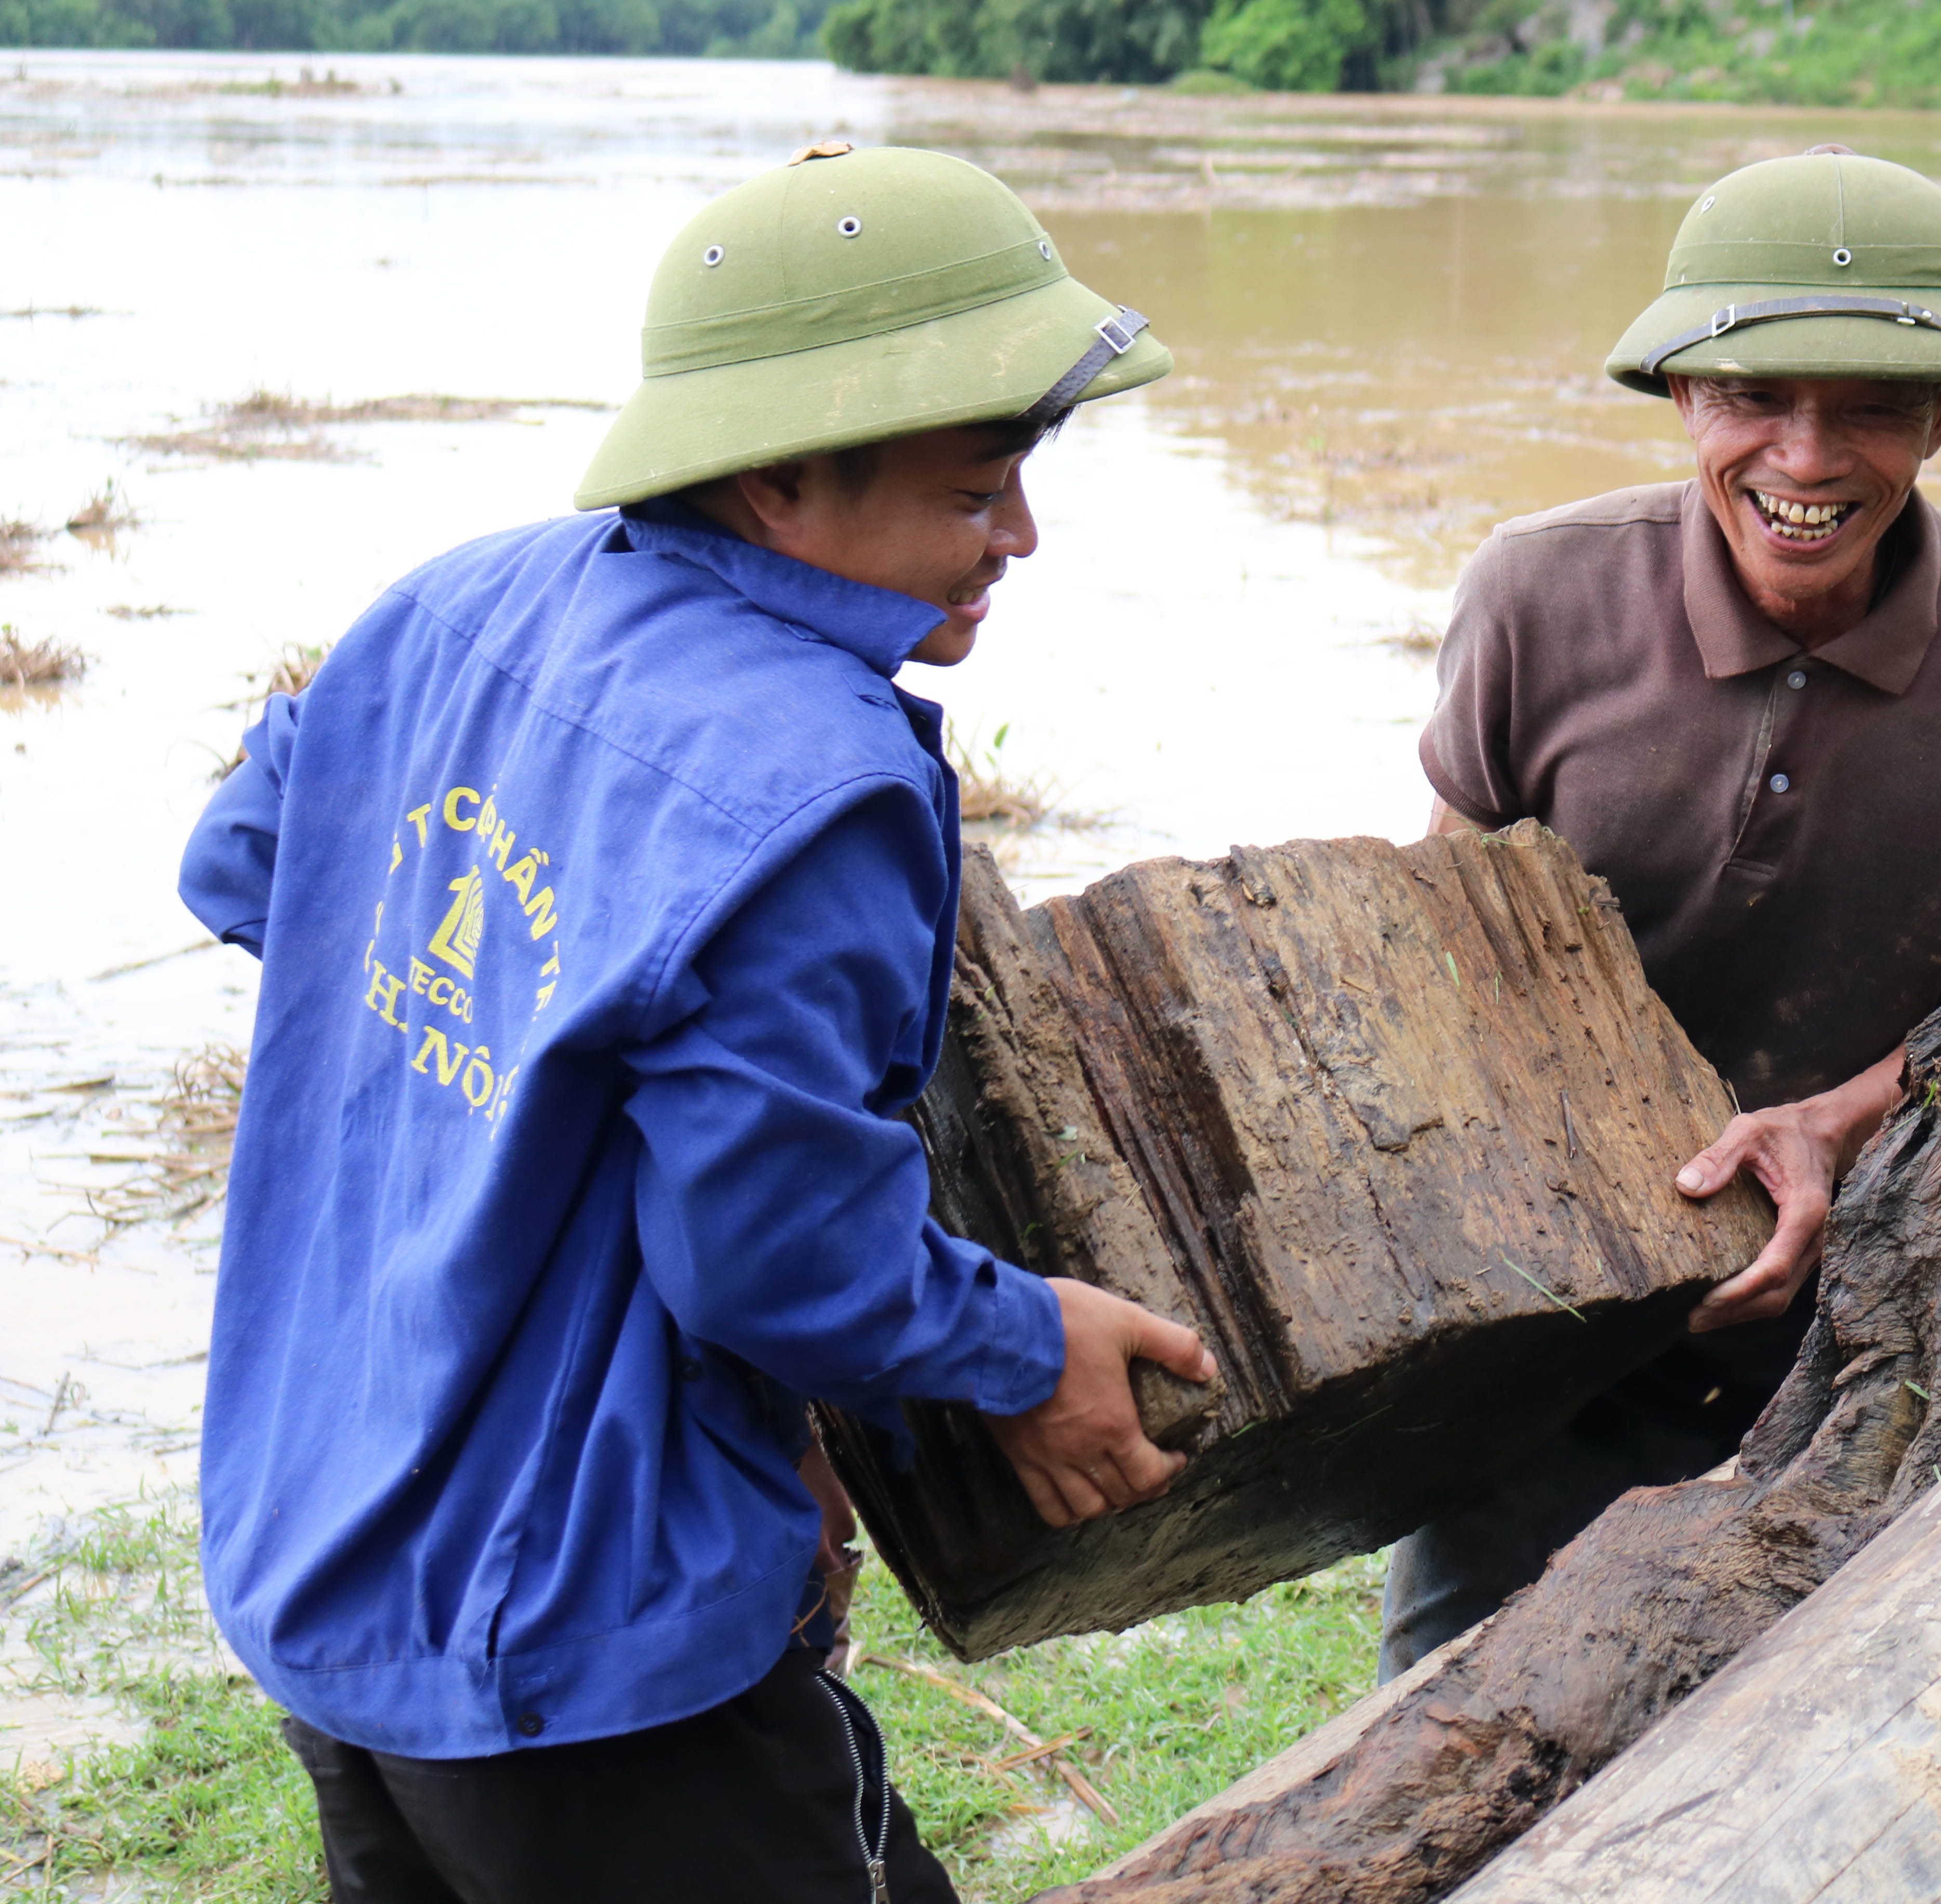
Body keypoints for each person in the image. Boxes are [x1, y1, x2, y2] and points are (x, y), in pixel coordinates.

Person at [176, 144, 1208, 1903]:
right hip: (583, 1644)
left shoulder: (457, 598)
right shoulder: (816, 782)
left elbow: (250, 864)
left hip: (326, 1543)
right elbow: (775, 1257)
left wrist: (503, 1032)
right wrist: (1027, 1346)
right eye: (979, 492)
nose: (1020, 537)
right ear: (784, 481)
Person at [1384, 147, 1941, 1677]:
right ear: (1681, 402)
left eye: (1869, 405)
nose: (1807, 455)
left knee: (1807, 1698)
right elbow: (1446, 922)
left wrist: (1828, 1129)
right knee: (1455, 1686)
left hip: (1853, 1290)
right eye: (1757, 398)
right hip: (1542, 1284)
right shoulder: (1535, 594)